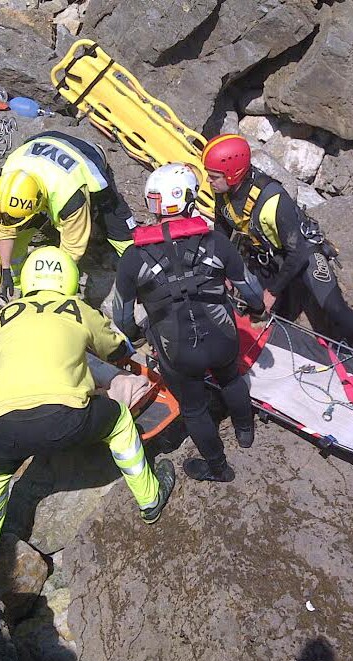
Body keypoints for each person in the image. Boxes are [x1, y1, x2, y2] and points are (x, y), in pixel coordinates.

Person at [0, 246, 175, 568]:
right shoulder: (77, 308)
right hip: (63, 417)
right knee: (119, 420)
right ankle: (149, 499)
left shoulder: (4, 317)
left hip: (1, 423)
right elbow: (114, 347)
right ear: (68, 278)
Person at [113, 163, 266, 483]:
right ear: (189, 200)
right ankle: (245, 432)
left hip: (178, 351)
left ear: (153, 204)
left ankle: (218, 468)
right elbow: (252, 292)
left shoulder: (132, 258)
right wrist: (253, 310)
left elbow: (122, 316)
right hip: (223, 338)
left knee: (194, 408)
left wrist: (140, 336)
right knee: (231, 379)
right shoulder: (217, 243)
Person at [202, 134, 353, 355]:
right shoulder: (224, 192)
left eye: (213, 177)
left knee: (335, 308)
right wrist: (224, 271)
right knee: (256, 308)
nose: (209, 181)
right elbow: (222, 231)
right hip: (267, 253)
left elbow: (298, 251)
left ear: (233, 174)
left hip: (303, 252)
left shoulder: (274, 200)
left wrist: (272, 292)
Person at [0, 132, 137, 298]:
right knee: (18, 229)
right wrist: (5, 268)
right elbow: (3, 229)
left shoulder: (69, 196)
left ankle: (141, 276)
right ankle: (15, 284)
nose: (11, 222)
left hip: (84, 154)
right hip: (43, 142)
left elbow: (72, 247)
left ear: (39, 202)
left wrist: (52, 286)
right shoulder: (5, 186)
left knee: (122, 233)